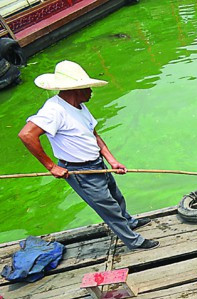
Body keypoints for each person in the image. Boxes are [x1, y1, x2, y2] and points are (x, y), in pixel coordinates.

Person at [18, 60, 159, 250]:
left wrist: (111, 160)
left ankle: (129, 221)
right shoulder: (54, 110)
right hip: (80, 171)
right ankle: (133, 241)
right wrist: (52, 166)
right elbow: (27, 135)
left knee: (116, 196)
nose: (91, 92)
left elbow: (94, 134)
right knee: (107, 207)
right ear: (76, 90)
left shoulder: (80, 107)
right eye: (88, 88)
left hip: (97, 164)